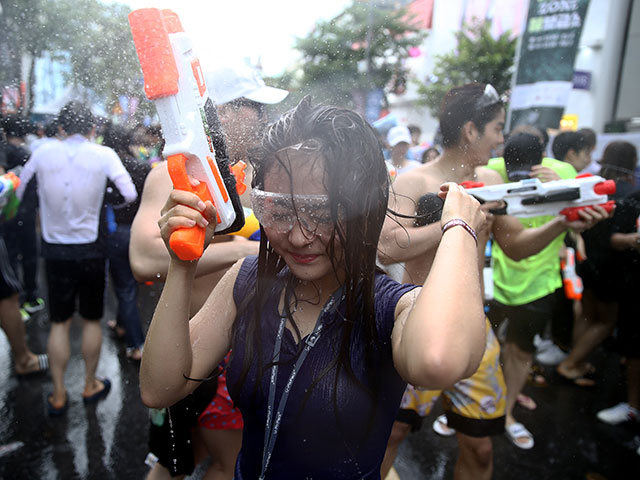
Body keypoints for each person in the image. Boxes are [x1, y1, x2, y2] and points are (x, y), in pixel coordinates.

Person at [140, 96, 488, 479]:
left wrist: (460, 227)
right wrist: (182, 264)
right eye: (280, 211)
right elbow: (160, 388)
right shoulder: (247, 281)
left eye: (323, 213)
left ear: (366, 209)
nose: (299, 236)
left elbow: (439, 361)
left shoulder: (390, 308)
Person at [131, 60, 287, 479]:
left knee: (223, 459)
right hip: (187, 342)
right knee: (176, 462)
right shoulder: (175, 173)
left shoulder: (261, 176)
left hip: (246, 348)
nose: (263, 117)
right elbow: (143, 259)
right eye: (254, 106)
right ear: (222, 111)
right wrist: (236, 253)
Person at [486, 126, 610, 449]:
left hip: (541, 281)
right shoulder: (492, 171)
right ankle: (482, 402)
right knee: (489, 347)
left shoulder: (565, 172)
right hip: (499, 276)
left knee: (520, 350)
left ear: (542, 158)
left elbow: (593, 212)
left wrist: (565, 191)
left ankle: (507, 411)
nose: (518, 177)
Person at [17, 101, 137, 416]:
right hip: (91, 249)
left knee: (59, 322)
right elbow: (129, 194)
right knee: (91, 320)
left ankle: (58, 395)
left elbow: (20, 191)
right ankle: (89, 385)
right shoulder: (104, 155)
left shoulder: (43, 152)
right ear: (93, 129)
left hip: (55, 248)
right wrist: (101, 201)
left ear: (60, 128)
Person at [556, 141, 638, 386]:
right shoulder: (626, 193)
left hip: (587, 259)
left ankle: (575, 361)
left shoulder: (595, 186)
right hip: (610, 267)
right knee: (605, 321)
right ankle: (570, 364)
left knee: (587, 316)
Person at [0, 136, 48, 379]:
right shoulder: (24, 154)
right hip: (22, 217)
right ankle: (24, 359)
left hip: (13, 223)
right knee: (8, 293)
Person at [102, 123, 150, 361]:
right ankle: (122, 325)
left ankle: (136, 344)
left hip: (117, 231)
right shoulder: (142, 167)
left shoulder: (106, 167)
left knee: (124, 287)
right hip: (140, 231)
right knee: (131, 284)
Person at [596, 186, 640, 425]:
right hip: (634, 287)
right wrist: (633, 240)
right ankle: (633, 407)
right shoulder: (634, 199)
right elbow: (612, 239)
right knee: (634, 350)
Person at [0, 115, 44, 319]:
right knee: (29, 255)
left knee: (10, 256)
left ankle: (14, 298)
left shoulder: (4, 154)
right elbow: (34, 188)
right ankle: (31, 296)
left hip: (5, 216)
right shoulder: (28, 154)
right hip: (25, 213)